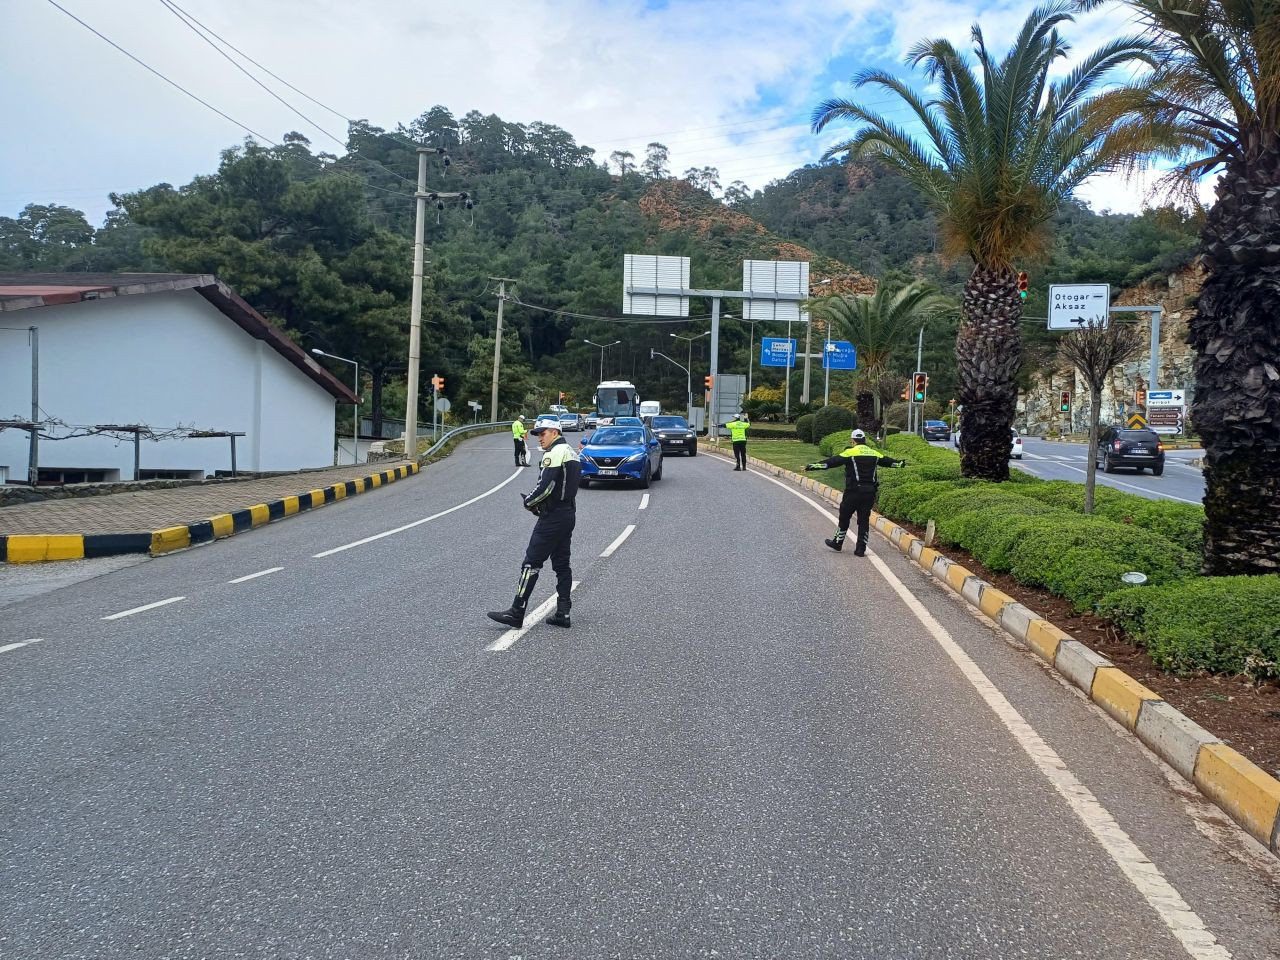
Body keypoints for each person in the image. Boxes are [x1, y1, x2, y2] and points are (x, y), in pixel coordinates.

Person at [488, 416, 581, 629]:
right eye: (538, 434)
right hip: (568, 514)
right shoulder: (572, 453)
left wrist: (529, 502)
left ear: (555, 432)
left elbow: (545, 487)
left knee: (531, 563)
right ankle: (563, 612)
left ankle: (516, 611)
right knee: (561, 563)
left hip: (552, 517)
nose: (539, 437)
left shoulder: (555, 453)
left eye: (543, 433)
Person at [804, 428, 907, 556]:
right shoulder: (874, 453)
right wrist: (901, 463)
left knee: (845, 516)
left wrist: (812, 466)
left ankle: (838, 542)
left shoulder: (850, 453)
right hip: (869, 492)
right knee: (864, 519)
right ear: (864, 440)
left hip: (853, 492)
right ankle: (860, 549)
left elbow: (831, 463)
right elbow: (891, 463)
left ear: (853, 441)